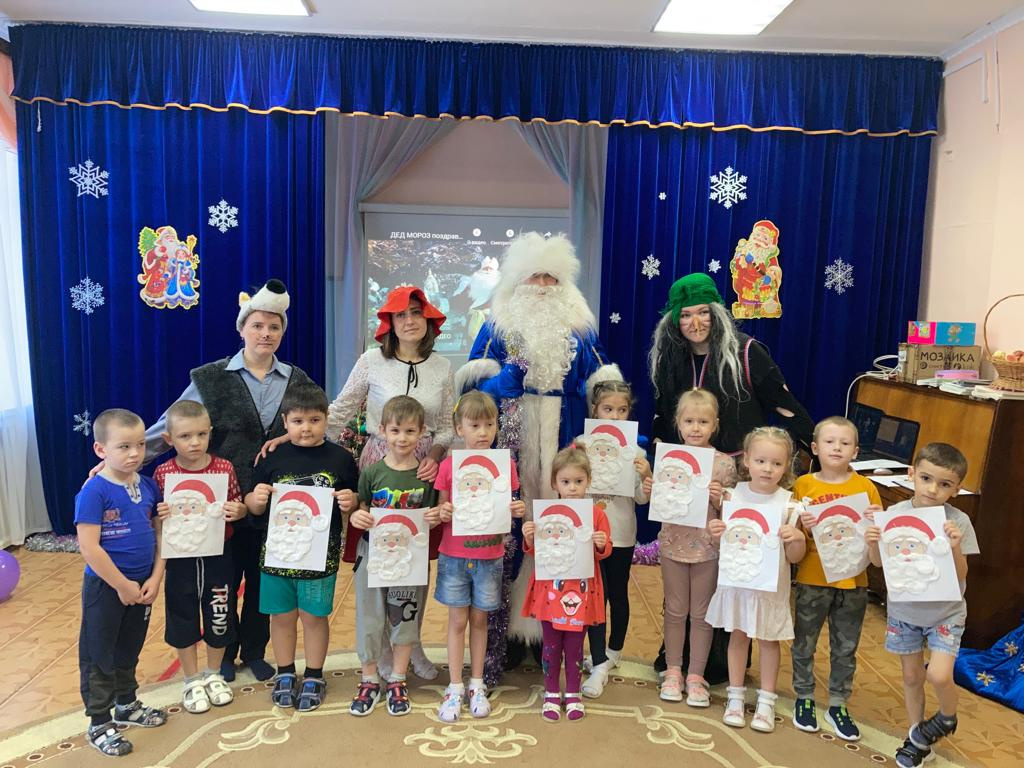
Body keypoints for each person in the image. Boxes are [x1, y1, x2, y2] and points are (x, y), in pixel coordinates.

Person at [458, 232, 620, 676]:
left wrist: (617, 439)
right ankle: (511, 633)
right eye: (536, 277)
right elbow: (471, 388)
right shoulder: (496, 326)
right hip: (511, 433)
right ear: (518, 281)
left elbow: (604, 384)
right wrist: (502, 383)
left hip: (564, 432)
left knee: (562, 525)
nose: (544, 286)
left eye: (552, 277)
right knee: (515, 527)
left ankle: (553, 623)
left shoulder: (580, 329)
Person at [141, 279, 316, 682]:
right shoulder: (211, 377)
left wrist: (288, 437)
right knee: (222, 582)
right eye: (258, 326)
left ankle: (254, 650)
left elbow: (313, 422)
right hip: (219, 504)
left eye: (274, 327)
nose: (265, 334)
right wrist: (126, 456)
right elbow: (170, 425)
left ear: (282, 332)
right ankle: (223, 652)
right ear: (242, 329)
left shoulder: (298, 379)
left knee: (262, 584)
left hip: (274, 502)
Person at [326, 285, 454, 680]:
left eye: (416, 313)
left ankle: (411, 644)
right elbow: (341, 410)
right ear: (390, 322)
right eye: (402, 314)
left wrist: (434, 456)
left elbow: (446, 427)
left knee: (413, 562)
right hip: (380, 469)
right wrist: (296, 439)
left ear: (428, 319)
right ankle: (382, 648)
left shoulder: (443, 367)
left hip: (423, 472)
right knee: (380, 560)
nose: (410, 320)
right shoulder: (371, 361)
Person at [244, 385, 359, 712]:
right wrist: (257, 499)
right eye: (297, 421)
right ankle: (284, 672)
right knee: (281, 617)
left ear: (326, 419)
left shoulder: (340, 458)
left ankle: (314, 675)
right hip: (277, 557)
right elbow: (251, 503)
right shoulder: (271, 457)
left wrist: (351, 500)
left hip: (320, 559)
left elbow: (354, 498)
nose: (306, 428)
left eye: (314, 420)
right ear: (285, 422)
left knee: (314, 617)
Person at [865, 443, 980, 768]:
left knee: (940, 676)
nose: (932, 489)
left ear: (956, 489)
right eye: (926, 479)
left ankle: (946, 717)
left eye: (944, 484)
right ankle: (918, 738)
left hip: (946, 613)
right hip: (905, 612)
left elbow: (961, 574)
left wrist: (954, 546)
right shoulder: (894, 514)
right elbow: (878, 563)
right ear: (911, 474)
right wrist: (872, 542)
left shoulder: (958, 520)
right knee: (912, 676)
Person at [427, 391, 526, 722]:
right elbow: (441, 509)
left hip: (490, 555)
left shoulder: (505, 466)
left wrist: (517, 509)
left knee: (481, 620)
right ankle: (455, 685)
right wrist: (443, 511)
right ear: (460, 428)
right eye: (475, 425)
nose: (483, 432)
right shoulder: (448, 466)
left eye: (489, 425)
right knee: (457, 620)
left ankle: (477, 683)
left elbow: (509, 505)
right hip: (454, 556)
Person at [75, 409, 167, 757]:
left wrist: (155, 577)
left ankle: (126, 704)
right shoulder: (94, 491)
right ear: (101, 450)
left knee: (129, 648)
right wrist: (121, 585)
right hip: (106, 588)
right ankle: (99, 721)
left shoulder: (148, 486)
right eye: (124, 446)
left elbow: (160, 535)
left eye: (140, 445)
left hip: (142, 585)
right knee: (99, 653)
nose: (135, 453)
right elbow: (89, 547)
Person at [707, 426, 806, 732]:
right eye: (761, 461)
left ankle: (766, 700)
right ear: (747, 460)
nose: (767, 468)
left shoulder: (789, 505)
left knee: (769, 641)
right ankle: (735, 696)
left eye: (776, 463)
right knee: (737, 636)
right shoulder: (731, 497)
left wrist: (797, 538)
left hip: (770, 590)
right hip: (738, 585)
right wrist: (716, 533)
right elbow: (722, 545)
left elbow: (795, 558)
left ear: (786, 466)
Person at [346, 396, 440, 717]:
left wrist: (435, 517)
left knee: (405, 618)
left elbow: (431, 516)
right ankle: (369, 679)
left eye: (410, 431)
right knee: (370, 618)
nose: (402, 438)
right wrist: (358, 516)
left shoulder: (425, 478)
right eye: (396, 430)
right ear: (383, 430)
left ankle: (398, 679)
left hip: (409, 561)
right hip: (373, 556)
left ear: (422, 433)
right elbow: (361, 508)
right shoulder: (372, 472)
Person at [648, 273, 813, 455]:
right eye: (685, 315)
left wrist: (817, 451)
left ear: (716, 314)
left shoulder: (746, 351)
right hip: (685, 465)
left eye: (703, 313)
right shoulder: (669, 358)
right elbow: (662, 416)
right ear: (675, 320)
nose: (695, 324)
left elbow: (785, 406)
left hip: (741, 465)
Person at [790, 416, 883, 740]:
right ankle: (804, 696)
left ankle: (838, 703)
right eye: (830, 442)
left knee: (846, 647)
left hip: (854, 582)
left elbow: (877, 537)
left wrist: (877, 523)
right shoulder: (803, 485)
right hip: (812, 578)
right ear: (815, 448)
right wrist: (799, 524)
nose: (837, 448)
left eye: (845, 443)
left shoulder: (866, 488)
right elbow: (791, 535)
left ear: (855, 451)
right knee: (804, 641)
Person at [153, 400, 248, 714]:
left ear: (210, 433)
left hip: (218, 556)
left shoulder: (224, 468)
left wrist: (238, 510)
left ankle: (213, 673)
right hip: (179, 559)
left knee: (220, 611)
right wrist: (159, 515)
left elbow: (237, 504)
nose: (194, 442)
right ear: (169, 439)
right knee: (182, 614)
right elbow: (155, 520)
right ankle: (191, 678)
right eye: (185, 436)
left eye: (201, 435)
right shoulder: (163, 473)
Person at [646, 388, 737, 706]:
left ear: (715, 425)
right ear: (678, 423)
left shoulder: (723, 464)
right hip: (673, 545)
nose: (696, 428)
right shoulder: (668, 459)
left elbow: (734, 515)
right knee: (674, 611)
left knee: (701, 614)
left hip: (707, 549)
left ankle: (696, 675)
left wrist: (720, 500)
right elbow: (654, 500)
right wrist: (651, 488)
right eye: (689, 421)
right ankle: (673, 670)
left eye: (703, 422)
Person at [521, 444, 611, 722]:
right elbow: (536, 553)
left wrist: (601, 543)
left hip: (581, 593)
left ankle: (572, 693)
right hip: (550, 591)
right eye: (566, 481)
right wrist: (529, 537)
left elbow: (604, 552)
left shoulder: (597, 515)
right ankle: (551, 692)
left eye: (579, 481)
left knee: (574, 645)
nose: (572, 488)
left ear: (588, 481)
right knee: (551, 644)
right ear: (554, 483)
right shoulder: (545, 514)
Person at [577, 380, 652, 698]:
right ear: (595, 410)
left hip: (621, 534)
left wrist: (646, 478)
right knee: (593, 594)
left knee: (617, 593)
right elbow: (569, 485)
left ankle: (614, 651)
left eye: (622, 410)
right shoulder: (581, 444)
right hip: (589, 534)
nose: (615, 416)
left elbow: (641, 499)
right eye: (608, 409)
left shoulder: (637, 451)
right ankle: (592, 653)